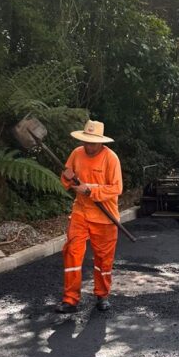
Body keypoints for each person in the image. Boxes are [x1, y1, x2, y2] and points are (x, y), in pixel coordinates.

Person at [56, 120, 123, 314]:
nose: (88, 146)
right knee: (72, 253)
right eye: (86, 141)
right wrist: (66, 177)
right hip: (80, 213)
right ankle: (70, 300)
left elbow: (116, 188)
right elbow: (66, 180)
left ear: (101, 142)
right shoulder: (76, 154)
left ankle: (102, 295)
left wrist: (90, 190)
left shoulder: (111, 159)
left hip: (105, 216)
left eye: (92, 143)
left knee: (103, 259)